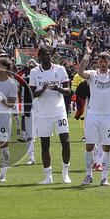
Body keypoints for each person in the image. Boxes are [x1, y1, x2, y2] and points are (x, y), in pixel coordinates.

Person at [77, 43, 110, 186]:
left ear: (109, 62)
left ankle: (105, 177)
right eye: (101, 61)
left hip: (109, 116)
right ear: (97, 62)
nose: (103, 63)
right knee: (89, 146)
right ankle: (88, 175)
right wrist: (87, 54)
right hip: (92, 115)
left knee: (107, 147)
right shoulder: (92, 75)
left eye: (106, 61)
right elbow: (80, 72)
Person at [28, 47, 71, 184]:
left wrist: (57, 88)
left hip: (59, 112)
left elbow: (68, 91)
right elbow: (32, 94)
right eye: (44, 55)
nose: (48, 57)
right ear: (39, 57)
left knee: (66, 142)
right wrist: (44, 89)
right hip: (42, 114)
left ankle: (65, 173)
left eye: (49, 55)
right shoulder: (34, 72)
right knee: (45, 145)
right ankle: (48, 176)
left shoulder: (60, 69)